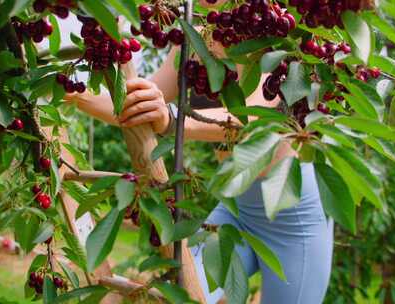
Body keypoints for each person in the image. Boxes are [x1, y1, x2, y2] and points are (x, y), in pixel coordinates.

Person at [64, 1, 333, 302]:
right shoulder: (191, 37)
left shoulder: (268, 28)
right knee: (185, 296)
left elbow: (258, 119)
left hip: (291, 218)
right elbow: (138, 106)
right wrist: (72, 94)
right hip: (236, 209)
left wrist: (172, 120)